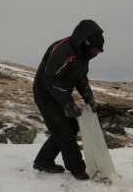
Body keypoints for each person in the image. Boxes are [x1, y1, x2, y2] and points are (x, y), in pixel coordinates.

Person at [32, 19, 104, 180]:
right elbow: (50, 80)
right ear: (85, 42)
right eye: (95, 50)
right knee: (63, 129)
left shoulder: (83, 55)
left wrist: (89, 98)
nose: (96, 54)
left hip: (60, 92)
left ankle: (43, 161)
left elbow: (81, 78)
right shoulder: (63, 51)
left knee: (70, 126)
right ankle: (77, 169)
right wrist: (67, 103)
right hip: (45, 93)